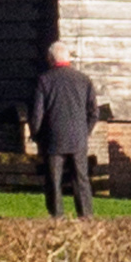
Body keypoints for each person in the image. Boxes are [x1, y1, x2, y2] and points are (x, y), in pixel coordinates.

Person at [28, 44, 106, 219]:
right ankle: (86, 216)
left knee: (54, 181)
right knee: (81, 179)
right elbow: (94, 112)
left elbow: (37, 114)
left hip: (53, 139)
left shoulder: (44, 80)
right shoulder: (83, 80)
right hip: (78, 139)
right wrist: (85, 132)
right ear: (68, 58)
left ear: (50, 59)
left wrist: (37, 135)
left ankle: (57, 217)